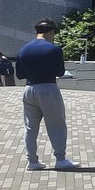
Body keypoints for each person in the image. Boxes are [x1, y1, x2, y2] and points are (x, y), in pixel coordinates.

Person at [17, 18, 74, 170]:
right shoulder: (53, 49)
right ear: (50, 32)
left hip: (29, 89)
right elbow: (60, 72)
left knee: (30, 127)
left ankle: (32, 161)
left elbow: (20, 75)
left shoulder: (23, 49)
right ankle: (60, 159)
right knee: (56, 125)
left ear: (36, 32)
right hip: (48, 88)